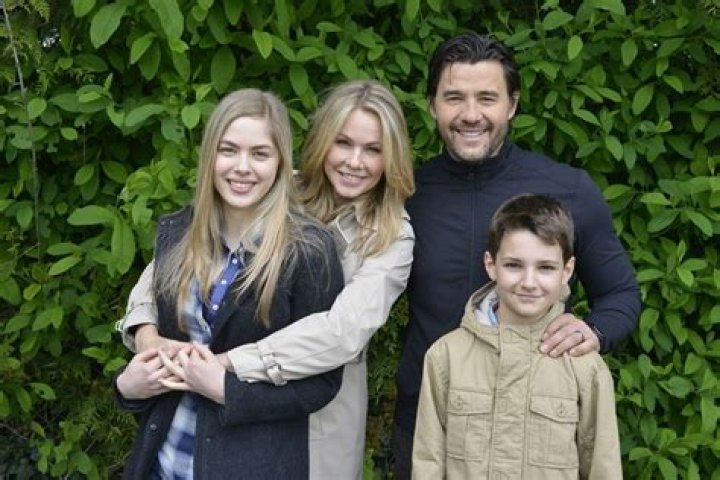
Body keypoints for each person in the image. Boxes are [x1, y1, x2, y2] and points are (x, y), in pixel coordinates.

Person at [117, 80, 416, 479]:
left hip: (314, 402)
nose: (354, 161)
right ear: (322, 141)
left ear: (391, 156)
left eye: (373, 150)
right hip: (216, 400)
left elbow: (342, 332)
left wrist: (226, 365)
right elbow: (172, 261)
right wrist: (145, 334)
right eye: (343, 143)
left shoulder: (392, 233)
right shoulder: (273, 182)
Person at [393, 33, 639, 478]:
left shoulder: (569, 191)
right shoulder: (405, 193)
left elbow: (621, 294)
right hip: (433, 421)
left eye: (487, 98)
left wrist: (594, 331)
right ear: (432, 105)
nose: (471, 114)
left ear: (512, 104)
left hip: (538, 430)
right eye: (454, 98)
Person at [412, 194, 622, 479]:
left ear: (567, 271)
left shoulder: (585, 367)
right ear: (491, 264)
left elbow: (603, 468)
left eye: (545, 267)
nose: (529, 282)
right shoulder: (445, 357)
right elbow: (428, 462)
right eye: (514, 265)